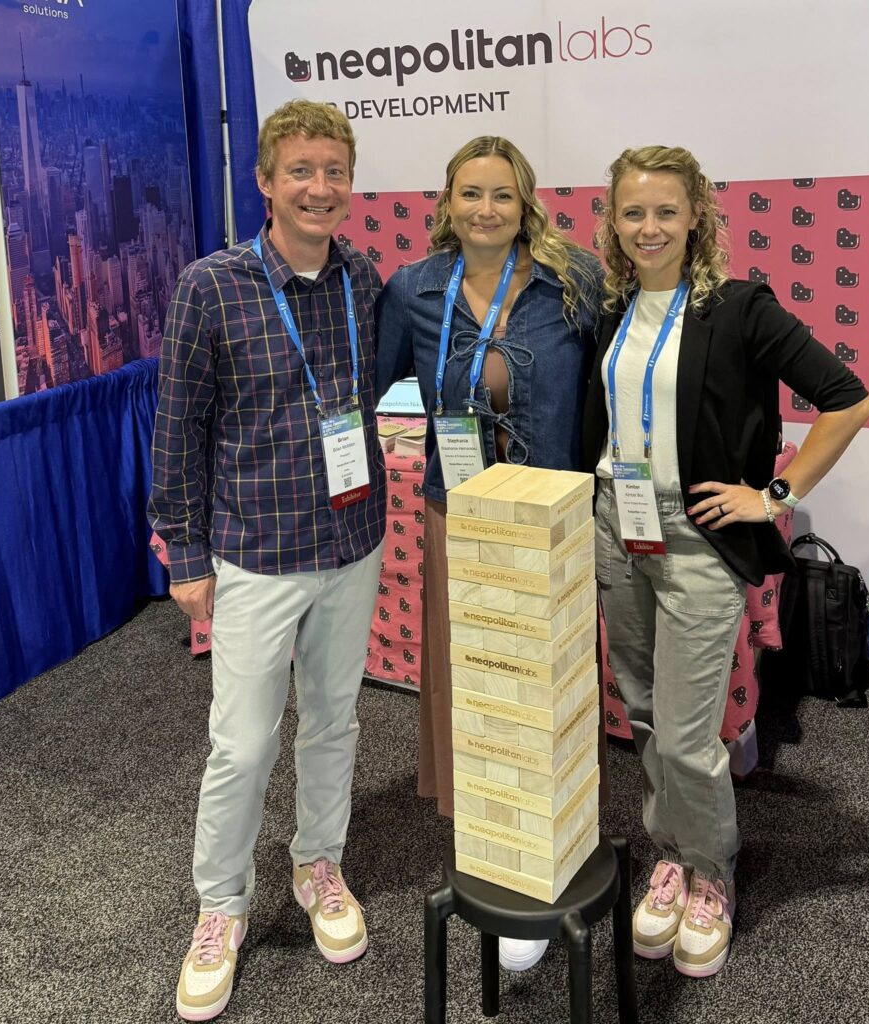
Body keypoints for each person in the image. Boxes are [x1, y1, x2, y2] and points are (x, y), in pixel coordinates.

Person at [580, 145, 869, 978]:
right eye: (633, 212)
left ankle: (712, 872)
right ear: (613, 221)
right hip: (617, 526)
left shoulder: (739, 307)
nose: (649, 227)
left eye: (665, 212)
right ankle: (670, 852)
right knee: (641, 712)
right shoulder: (611, 310)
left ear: (696, 219)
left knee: (684, 733)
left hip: (696, 537)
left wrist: (774, 494)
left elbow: (848, 401)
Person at [149, 100, 386, 1021]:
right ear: (265, 180)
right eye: (301, 171)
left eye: (334, 171)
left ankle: (317, 863)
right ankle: (221, 904)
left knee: (333, 723)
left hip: (351, 542)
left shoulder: (363, 279)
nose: (319, 187)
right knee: (243, 742)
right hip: (254, 550)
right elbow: (178, 430)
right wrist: (185, 556)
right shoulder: (211, 287)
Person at [375, 136, 604, 971]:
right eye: (470, 194)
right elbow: (368, 384)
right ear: (446, 203)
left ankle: (555, 840)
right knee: (477, 681)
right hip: (460, 515)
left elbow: (614, 379)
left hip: (550, 518)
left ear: (526, 203)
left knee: (547, 682)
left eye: (502, 195)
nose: (485, 209)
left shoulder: (575, 280)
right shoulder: (414, 290)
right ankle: (495, 847)